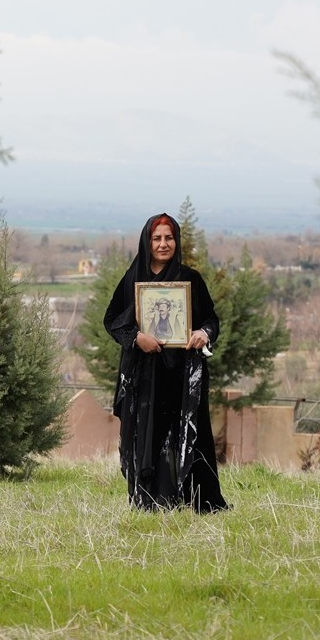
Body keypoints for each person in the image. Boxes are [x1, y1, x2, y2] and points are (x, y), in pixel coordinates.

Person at [103, 213, 230, 512]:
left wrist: (203, 333)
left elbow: (211, 319)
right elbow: (112, 320)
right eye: (157, 238)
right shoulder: (133, 278)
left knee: (189, 431)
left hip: (183, 374)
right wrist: (136, 338)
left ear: (177, 241)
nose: (163, 244)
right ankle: (151, 501)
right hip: (145, 376)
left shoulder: (191, 279)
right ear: (147, 242)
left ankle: (198, 501)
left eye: (169, 238)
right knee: (149, 434)